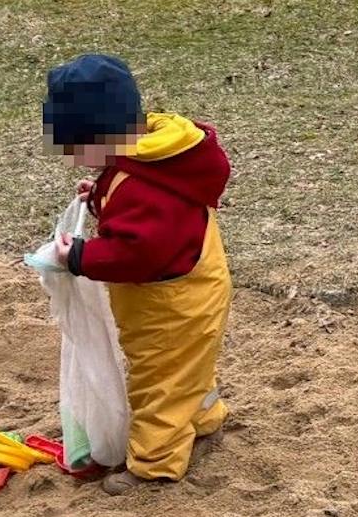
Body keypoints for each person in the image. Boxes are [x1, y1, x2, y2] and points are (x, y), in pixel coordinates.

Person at [35, 54, 234, 493]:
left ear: (103, 136)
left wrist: (80, 257)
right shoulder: (150, 158)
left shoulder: (142, 185)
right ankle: (204, 418)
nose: (71, 161)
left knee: (159, 383)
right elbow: (143, 209)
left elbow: (139, 252)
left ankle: (154, 466)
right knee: (187, 372)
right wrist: (101, 194)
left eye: (74, 150)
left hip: (172, 307)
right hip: (191, 292)